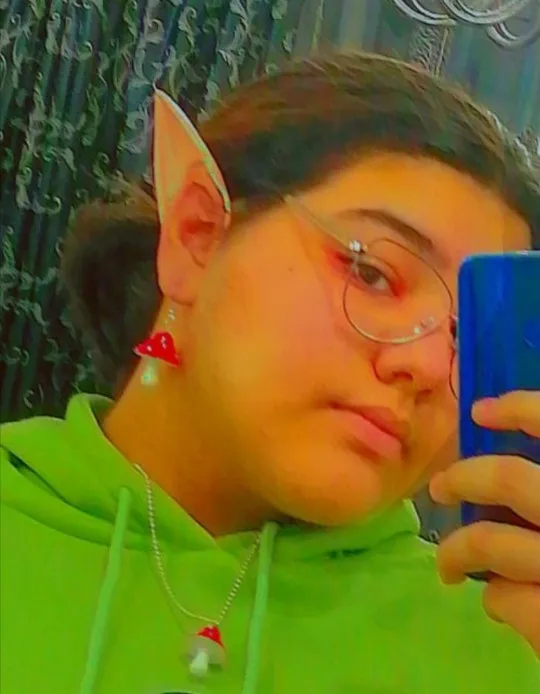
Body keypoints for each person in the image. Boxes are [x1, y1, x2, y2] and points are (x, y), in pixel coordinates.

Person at [1, 52, 539, 694]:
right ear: (197, 234)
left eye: (465, 337)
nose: (427, 366)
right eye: (372, 272)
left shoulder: (502, 640)